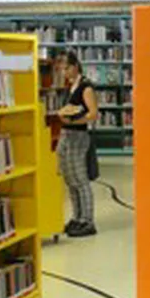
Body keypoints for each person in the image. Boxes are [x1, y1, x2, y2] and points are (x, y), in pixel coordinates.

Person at [56, 54, 98, 237]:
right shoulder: (69, 87)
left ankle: (87, 220)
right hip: (66, 134)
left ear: (75, 66)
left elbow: (93, 114)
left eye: (66, 68)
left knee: (80, 179)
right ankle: (77, 217)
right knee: (70, 179)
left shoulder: (85, 87)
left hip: (78, 135)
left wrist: (73, 120)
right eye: (61, 69)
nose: (64, 72)